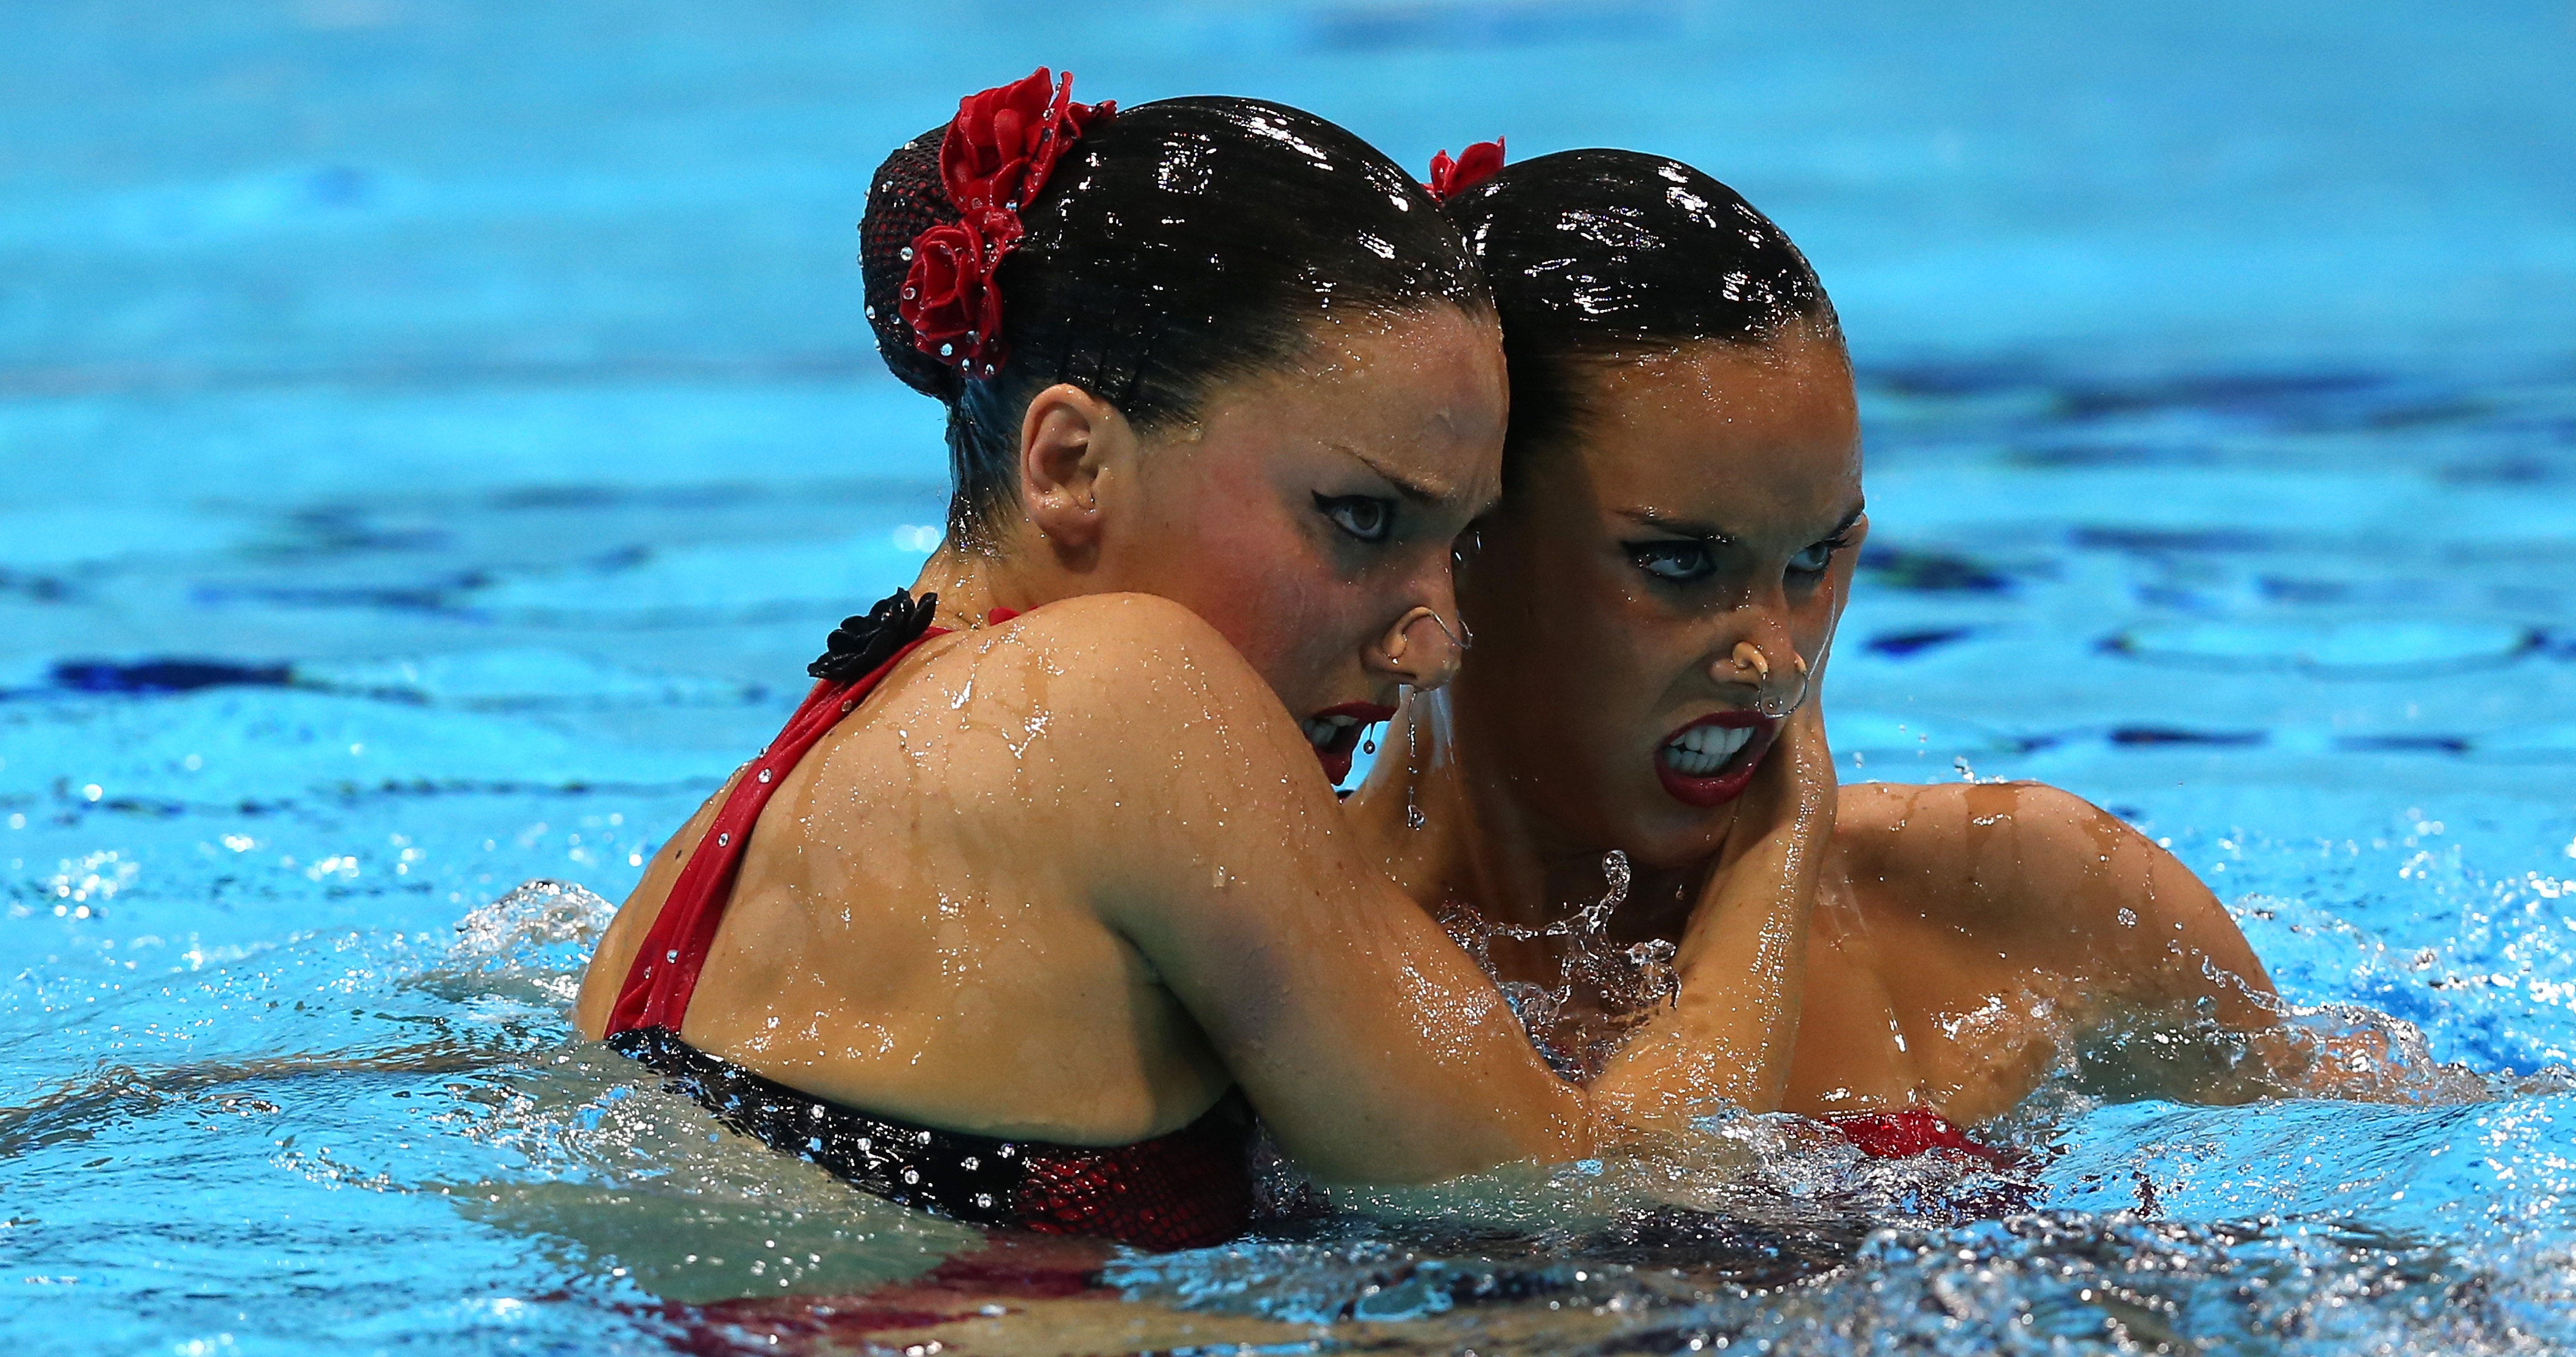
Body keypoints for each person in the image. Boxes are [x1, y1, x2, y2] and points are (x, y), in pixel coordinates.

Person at [573, 78, 1836, 1252]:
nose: (1436, 637)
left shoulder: (718, 843)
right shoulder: (1128, 690)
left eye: (1457, 543)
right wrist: (1782, 836)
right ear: (1070, 464)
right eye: (1359, 519)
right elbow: (1615, 1195)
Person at [1349, 147, 2342, 1144]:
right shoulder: (1281, 965)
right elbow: (1619, 1194)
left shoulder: (2028, 902)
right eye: (1680, 564)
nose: (1774, 662)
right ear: (1454, 538)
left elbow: (2375, 1198)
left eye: (1815, 559)